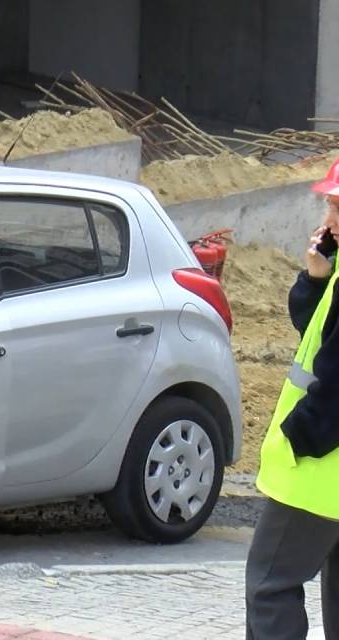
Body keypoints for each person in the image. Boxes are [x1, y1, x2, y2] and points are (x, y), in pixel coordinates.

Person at [247, 156, 339, 639]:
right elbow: (314, 330)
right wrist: (316, 278)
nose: (329, 221)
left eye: (338, 208)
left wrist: (300, 438)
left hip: (321, 472)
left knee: (270, 587)